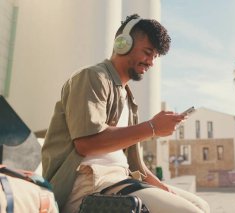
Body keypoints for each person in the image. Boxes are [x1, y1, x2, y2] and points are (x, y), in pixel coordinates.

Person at [41, 14, 210, 213]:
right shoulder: (92, 77)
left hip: (119, 180)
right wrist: (152, 127)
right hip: (87, 184)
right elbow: (86, 143)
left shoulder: (128, 99)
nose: (151, 62)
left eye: (155, 56)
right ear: (123, 43)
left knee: (201, 206)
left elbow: (134, 164)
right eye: (147, 52)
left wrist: (161, 187)